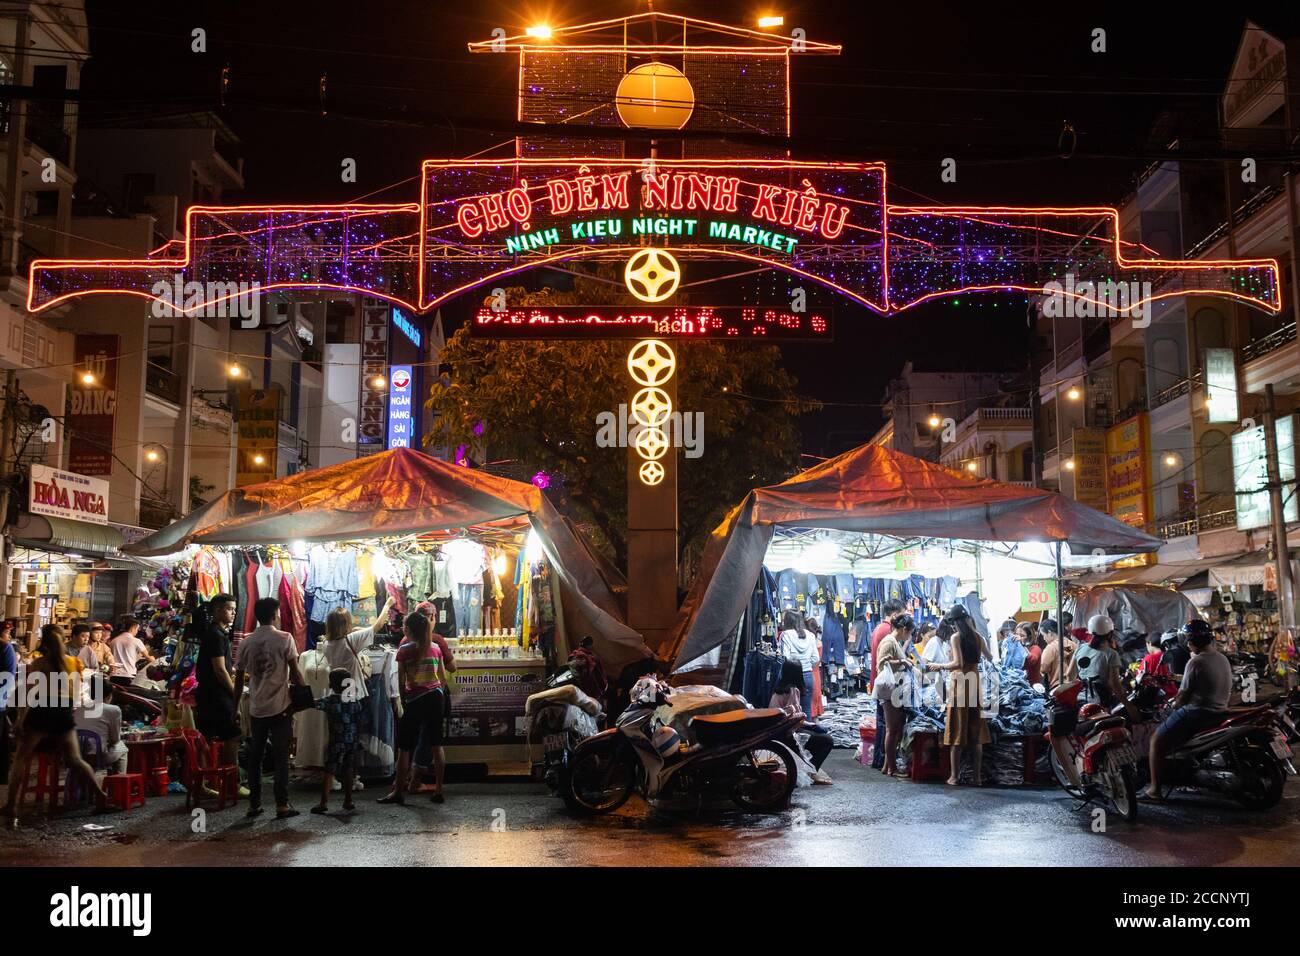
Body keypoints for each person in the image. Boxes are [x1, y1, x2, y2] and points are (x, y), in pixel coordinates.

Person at [1, 625, 108, 827]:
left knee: (21, 759)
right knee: (76, 759)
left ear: (44, 644)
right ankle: (101, 795)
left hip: (42, 713)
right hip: (63, 715)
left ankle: (12, 805)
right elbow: (76, 694)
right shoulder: (74, 663)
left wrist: (19, 722)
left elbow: (29, 697)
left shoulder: (40, 663)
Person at [1139, 621, 1233, 802]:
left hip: (1197, 713)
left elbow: (1182, 697)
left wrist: (1173, 705)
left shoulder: (1195, 662)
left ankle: (1154, 790)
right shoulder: (1221, 658)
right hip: (1219, 711)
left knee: (1156, 741)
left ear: (1191, 641)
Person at [235, 596, 306, 819]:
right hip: (281, 706)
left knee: (255, 757)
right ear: (275, 615)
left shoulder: (246, 641)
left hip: (256, 707)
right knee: (281, 756)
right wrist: (304, 693)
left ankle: (254, 804)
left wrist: (234, 706)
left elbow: (238, 677)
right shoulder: (284, 638)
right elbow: (294, 671)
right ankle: (282, 805)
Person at [380, 611, 449, 806]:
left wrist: (403, 700)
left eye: (404, 625)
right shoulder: (436, 648)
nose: (402, 628)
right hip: (435, 697)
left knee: (405, 747)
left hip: (415, 698)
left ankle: (398, 792)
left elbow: (402, 680)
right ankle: (439, 790)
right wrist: (437, 691)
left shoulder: (404, 650)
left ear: (409, 629)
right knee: (436, 744)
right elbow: (442, 678)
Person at [926, 605, 991, 786]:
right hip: (975, 684)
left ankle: (954, 777)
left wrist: (939, 666)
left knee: (957, 730)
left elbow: (958, 662)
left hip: (961, 685)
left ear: (955, 623)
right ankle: (976, 778)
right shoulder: (979, 637)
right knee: (976, 733)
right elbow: (990, 656)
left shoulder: (956, 637)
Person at [194, 594, 242, 772]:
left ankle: (205, 779)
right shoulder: (216, 635)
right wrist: (234, 692)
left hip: (208, 693)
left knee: (206, 736)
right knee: (232, 735)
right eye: (229, 609)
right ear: (217, 610)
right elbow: (220, 670)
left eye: (234, 609)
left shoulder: (217, 633)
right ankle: (230, 781)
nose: (233, 613)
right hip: (217, 695)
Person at [770, 659, 834, 784]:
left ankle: (809, 769)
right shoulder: (793, 691)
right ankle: (811, 772)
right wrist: (812, 725)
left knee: (818, 736)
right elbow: (793, 718)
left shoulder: (779, 690)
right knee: (827, 740)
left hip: (778, 729)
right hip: (787, 732)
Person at [312, 668, 364, 815]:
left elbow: (315, 704)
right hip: (352, 741)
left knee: (329, 770)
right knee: (348, 769)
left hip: (337, 741)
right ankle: (348, 800)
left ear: (331, 684)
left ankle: (323, 802)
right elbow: (360, 718)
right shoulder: (354, 700)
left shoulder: (330, 700)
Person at [874, 612, 918, 778]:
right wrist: (902, 661)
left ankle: (887, 766)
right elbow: (881, 664)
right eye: (910, 632)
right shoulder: (889, 641)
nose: (910, 636)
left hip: (895, 690)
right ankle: (892, 767)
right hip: (889, 690)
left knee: (895, 728)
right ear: (904, 629)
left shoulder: (895, 642)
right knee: (892, 730)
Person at [869, 600, 904, 770]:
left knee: (884, 723)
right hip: (885, 684)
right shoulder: (886, 631)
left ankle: (882, 761)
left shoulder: (879, 629)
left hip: (881, 682)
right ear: (895, 615)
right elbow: (885, 662)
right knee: (887, 725)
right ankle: (884, 760)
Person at [74, 675, 128, 773]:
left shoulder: (79, 708)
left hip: (78, 755)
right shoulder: (113, 710)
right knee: (122, 747)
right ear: (109, 696)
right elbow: (115, 740)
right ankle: (120, 781)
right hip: (98, 757)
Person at [777, 609, 819, 717]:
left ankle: (795, 734)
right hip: (808, 676)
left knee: (791, 712)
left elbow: (785, 657)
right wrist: (806, 664)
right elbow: (815, 658)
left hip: (792, 677)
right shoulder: (810, 635)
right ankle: (808, 733)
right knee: (806, 711)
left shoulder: (785, 635)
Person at [1075, 615, 1124, 708]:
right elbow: (1114, 684)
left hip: (1080, 699)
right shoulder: (1112, 654)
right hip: (1100, 702)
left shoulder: (1080, 648)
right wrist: (1129, 706)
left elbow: (1070, 676)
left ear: (1090, 633)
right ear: (1110, 634)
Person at [108, 615, 152, 686]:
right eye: (137, 629)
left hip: (114, 675)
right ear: (133, 628)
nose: (137, 632)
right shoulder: (136, 641)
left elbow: (123, 657)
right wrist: (153, 660)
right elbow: (148, 658)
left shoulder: (114, 641)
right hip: (128, 675)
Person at [1039, 619, 1078, 691]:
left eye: (1043, 635)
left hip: (1057, 687)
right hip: (1074, 685)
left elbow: (1043, 669)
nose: (1044, 639)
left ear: (1050, 633)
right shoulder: (1073, 645)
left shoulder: (1050, 648)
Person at [0, 621, 17, 783]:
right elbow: (9, 676)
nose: (9, 636)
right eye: (7, 633)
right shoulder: (6, 648)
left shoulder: (6, 648)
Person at [1138, 633, 1178, 698]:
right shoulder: (1168, 654)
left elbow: (1140, 678)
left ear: (1149, 643)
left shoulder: (1149, 658)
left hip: (1159, 697)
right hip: (1174, 692)